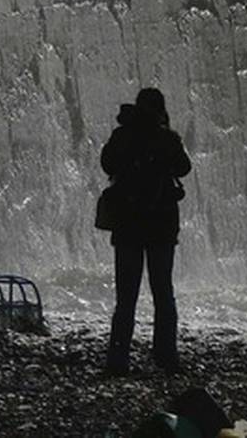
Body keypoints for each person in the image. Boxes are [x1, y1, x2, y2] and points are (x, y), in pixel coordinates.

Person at [100, 86, 192, 374]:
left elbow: (107, 164)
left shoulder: (123, 135)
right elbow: (184, 168)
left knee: (126, 297)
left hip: (127, 225)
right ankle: (166, 356)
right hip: (161, 225)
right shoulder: (166, 138)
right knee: (163, 292)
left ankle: (118, 359)